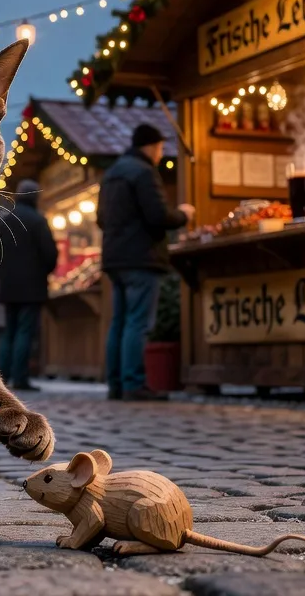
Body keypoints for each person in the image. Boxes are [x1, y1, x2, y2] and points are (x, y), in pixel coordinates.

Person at [100, 124, 194, 402]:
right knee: (138, 323)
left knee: (119, 322)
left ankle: (116, 384)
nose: (161, 153)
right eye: (161, 148)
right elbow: (158, 216)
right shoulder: (143, 172)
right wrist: (183, 215)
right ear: (153, 146)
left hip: (115, 259)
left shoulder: (112, 173)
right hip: (141, 258)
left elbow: (101, 219)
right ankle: (134, 384)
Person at [0, 179, 58, 392]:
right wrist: (40, 273)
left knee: (9, 332)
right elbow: (50, 255)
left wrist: (5, 276)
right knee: (25, 332)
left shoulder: (3, 222)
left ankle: (2, 377)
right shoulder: (38, 221)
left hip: (9, 288)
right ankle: (20, 378)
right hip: (32, 287)